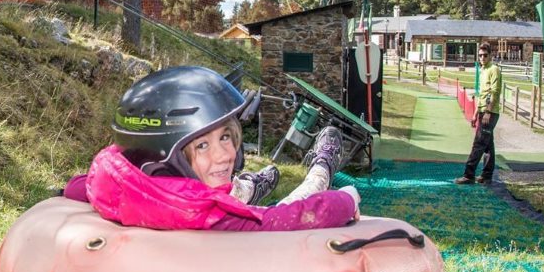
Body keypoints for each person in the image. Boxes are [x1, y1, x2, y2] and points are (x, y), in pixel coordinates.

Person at [63, 66, 360, 231]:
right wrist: (345, 201)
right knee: (308, 189)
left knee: (228, 188)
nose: (226, 155)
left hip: (200, 190)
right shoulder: (202, 211)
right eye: (203, 144)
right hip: (226, 205)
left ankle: (247, 186)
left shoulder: (122, 180)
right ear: (163, 156)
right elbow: (279, 221)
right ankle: (322, 165)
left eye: (226, 137)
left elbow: (78, 187)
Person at [455, 43, 502, 185]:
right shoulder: (482, 70)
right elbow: (481, 94)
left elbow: (494, 92)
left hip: (490, 112)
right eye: (480, 55)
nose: (482, 58)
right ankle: (486, 175)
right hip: (482, 110)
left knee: (479, 143)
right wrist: (476, 113)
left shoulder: (494, 70)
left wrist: (488, 111)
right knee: (488, 145)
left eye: (485, 55)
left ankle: (469, 175)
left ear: (490, 55)